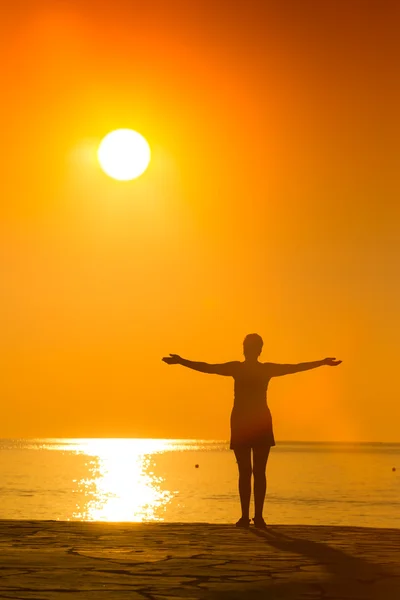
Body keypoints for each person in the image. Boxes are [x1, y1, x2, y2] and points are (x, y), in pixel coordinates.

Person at [162, 333, 341, 529]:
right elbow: (209, 368)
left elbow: (209, 368)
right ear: (258, 350)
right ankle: (252, 517)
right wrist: (181, 361)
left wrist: (322, 362)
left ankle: (251, 517)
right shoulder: (252, 369)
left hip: (251, 422)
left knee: (249, 472)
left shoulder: (244, 368)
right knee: (253, 471)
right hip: (247, 422)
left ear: (247, 349)